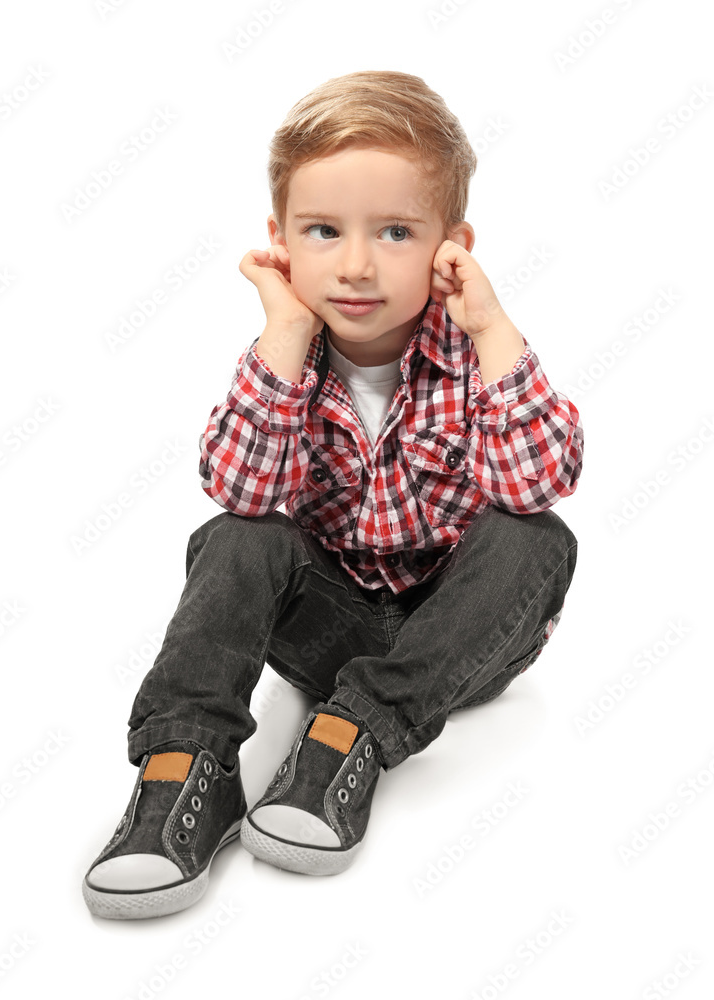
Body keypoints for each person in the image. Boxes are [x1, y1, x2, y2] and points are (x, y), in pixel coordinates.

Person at [82, 70, 583, 920]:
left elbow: (539, 480)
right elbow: (240, 489)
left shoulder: (473, 356)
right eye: (323, 231)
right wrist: (283, 330)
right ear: (281, 240)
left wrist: (494, 329)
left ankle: (350, 736)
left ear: (450, 245)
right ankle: (186, 765)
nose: (355, 265)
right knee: (237, 534)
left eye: (394, 232)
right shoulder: (287, 361)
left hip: (457, 639)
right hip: (329, 626)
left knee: (539, 536)